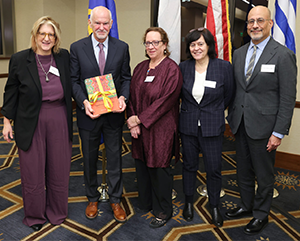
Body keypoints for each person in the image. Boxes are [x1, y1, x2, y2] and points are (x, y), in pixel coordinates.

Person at [225, 6, 297, 235]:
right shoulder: (238, 53)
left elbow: (287, 98)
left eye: (260, 21)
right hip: (240, 124)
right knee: (243, 171)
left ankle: (260, 214)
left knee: (264, 175)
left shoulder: (283, 55)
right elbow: (237, 90)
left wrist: (278, 132)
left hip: (265, 128)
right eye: (250, 22)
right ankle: (246, 205)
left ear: (270, 24)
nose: (254, 25)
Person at [1, 16, 73, 231]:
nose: (46, 38)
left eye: (51, 34)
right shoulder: (20, 59)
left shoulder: (64, 58)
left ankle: (57, 212)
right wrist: (6, 121)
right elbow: (11, 92)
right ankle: (34, 216)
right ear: (35, 36)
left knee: (59, 169)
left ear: (56, 38)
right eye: (42, 33)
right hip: (30, 120)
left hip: (59, 117)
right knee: (32, 171)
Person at [70, 6, 131, 223]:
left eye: (106, 23)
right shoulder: (77, 48)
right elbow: (73, 81)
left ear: (111, 24)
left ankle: (115, 200)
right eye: (97, 23)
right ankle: (92, 198)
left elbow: (126, 78)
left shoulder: (122, 47)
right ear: (90, 22)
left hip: (113, 115)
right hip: (89, 115)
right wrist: (84, 102)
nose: (102, 27)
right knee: (88, 159)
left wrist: (123, 98)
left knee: (115, 159)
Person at [126, 27, 182, 228]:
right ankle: (146, 202)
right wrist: (132, 119)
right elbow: (132, 95)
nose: (151, 46)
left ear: (164, 45)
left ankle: (163, 210)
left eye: (155, 42)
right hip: (140, 129)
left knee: (160, 169)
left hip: (162, 129)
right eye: (147, 43)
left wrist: (139, 119)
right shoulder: (140, 67)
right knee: (142, 165)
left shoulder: (172, 69)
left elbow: (166, 101)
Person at [179, 28, 235, 227]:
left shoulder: (223, 67)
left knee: (214, 168)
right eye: (193, 44)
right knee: (188, 166)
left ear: (209, 46)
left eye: (200, 44)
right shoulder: (183, 67)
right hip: (188, 126)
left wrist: (213, 111)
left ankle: (214, 205)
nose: (196, 48)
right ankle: (188, 202)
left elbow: (228, 95)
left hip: (212, 126)